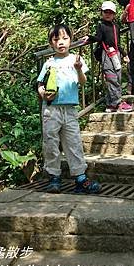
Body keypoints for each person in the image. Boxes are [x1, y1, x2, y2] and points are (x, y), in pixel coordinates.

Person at [37, 23, 101, 194]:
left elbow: (82, 81)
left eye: (65, 38)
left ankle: (80, 178)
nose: (61, 42)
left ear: (71, 40)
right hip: (51, 110)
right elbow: (40, 84)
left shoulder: (75, 60)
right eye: (56, 39)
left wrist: (79, 70)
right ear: (51, 43)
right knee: (51, 143)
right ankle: (54, 178)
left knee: (74, 143)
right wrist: (42, 93)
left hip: (70, 109)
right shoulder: (48, 63)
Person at [87, 1, 133, 113]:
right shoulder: (101, 26)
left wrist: (124, 54)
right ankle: (117, 103)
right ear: (101, 12)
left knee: (117, 78)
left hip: (115, 54)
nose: (108, 14)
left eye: (111, 12)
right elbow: (98, 38)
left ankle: (110, 104)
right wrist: (89, 38)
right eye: (105, 12)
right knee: (111, 78)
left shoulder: (115, 26)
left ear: (114, 14)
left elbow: (117, 43)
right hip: (107, 54)